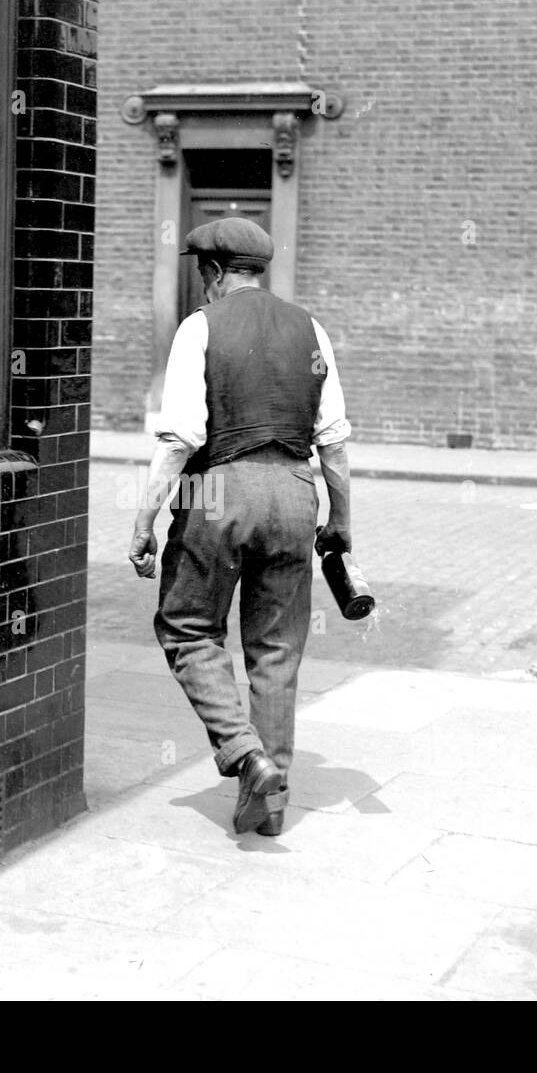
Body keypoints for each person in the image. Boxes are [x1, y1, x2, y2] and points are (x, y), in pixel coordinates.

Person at [128, 217, 353, 836]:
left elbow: (180, 439)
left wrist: (145, 519)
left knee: (187, 626)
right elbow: (333, 443)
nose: (205, 286)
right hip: (295, 493)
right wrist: (341, 523)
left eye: (206, 274)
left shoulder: (199, 328)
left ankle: (246, 755)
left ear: (217, 273)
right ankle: (272, 805)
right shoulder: (312, 329)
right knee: (277, 651)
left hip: (218, 491)